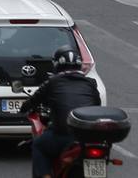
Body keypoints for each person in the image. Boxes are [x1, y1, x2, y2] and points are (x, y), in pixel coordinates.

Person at [21, 49, 103, 178]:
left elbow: (34, 100)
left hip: (65, 133)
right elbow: (97, 104)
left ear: (57, 65)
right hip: (89, 136)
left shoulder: (54, 82)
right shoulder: (90, 83)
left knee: (39, 146)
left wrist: (24, 108)